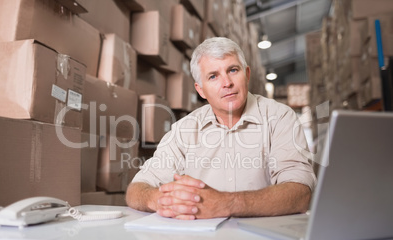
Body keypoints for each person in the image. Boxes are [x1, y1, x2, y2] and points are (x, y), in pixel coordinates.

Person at [126, 37, 316, 220]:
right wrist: (161, 200)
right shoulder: (185, 129)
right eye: (213, 76)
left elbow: (300, 193)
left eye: (233, 70)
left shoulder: (280, 117)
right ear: (200, 90)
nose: (227, 83)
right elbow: (136, 189)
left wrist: (226, 204)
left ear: (247, 74)